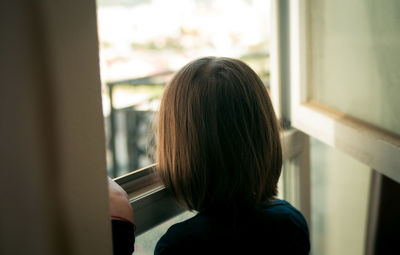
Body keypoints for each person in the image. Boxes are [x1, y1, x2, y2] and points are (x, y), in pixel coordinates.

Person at [109, 57, 310, 254]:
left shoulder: (181, 246)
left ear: (180, 151)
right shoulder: (290, 222)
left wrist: (120, 234)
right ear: (264, 138)